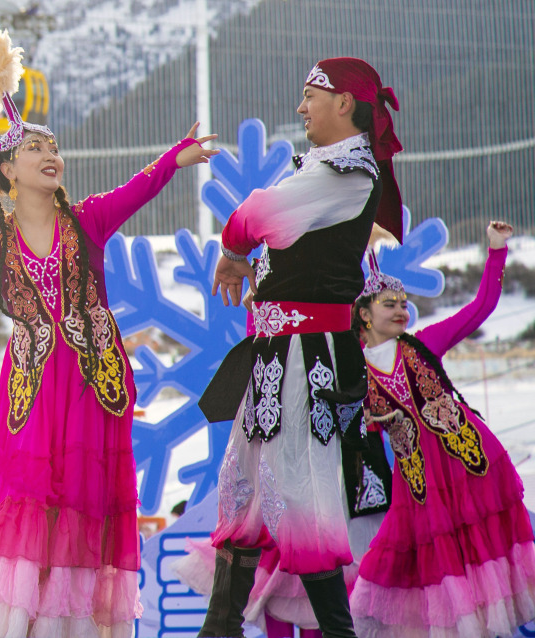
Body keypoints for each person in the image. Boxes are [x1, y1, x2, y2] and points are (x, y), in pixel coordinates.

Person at [0, 26, 218, 638]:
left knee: (80, 508)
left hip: (87, 389)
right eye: (35, 149)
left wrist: (172, 162)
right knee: (28, 512)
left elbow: (140, 188)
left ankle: (69, 627)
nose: (51, 154)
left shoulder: (90, 220)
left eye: (54, 147)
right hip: (29, 394)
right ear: (7, 173)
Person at [196, 57, 405, 638]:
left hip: (306, 360)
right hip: (280, 355)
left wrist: (236, 248)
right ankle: (220, 629)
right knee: (245, 489)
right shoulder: (325, 169)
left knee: (303, 495)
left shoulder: (345, 175)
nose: (300, 107)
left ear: (344, 103)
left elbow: (255, 215)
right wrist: (241, 248)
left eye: (310, 95)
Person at [349, 220, 535, 637]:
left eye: (403, 302)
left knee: (484, 570)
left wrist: (495, 252)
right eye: (389, 303)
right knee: (429, 579)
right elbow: (356, 428)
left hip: (469, 470)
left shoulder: (424, 344)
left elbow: (480, 308)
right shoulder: (352, 373)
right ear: (364, 314)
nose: (401, 310)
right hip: (419, 488)